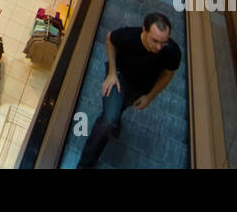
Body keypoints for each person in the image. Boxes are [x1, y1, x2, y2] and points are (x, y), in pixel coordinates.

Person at [76, 13, 181, 169]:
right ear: (144, 30)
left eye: (163, 42)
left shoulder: (172, 51)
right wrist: (112, 72)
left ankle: (117, 118)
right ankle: (84, 165)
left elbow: (167, 74)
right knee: (108, 121)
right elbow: (110, 39)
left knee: (120, 108)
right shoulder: (128, 36)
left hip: (140, 87)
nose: (159, 47)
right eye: (155, 41)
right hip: (119, 77)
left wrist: (150, 96)